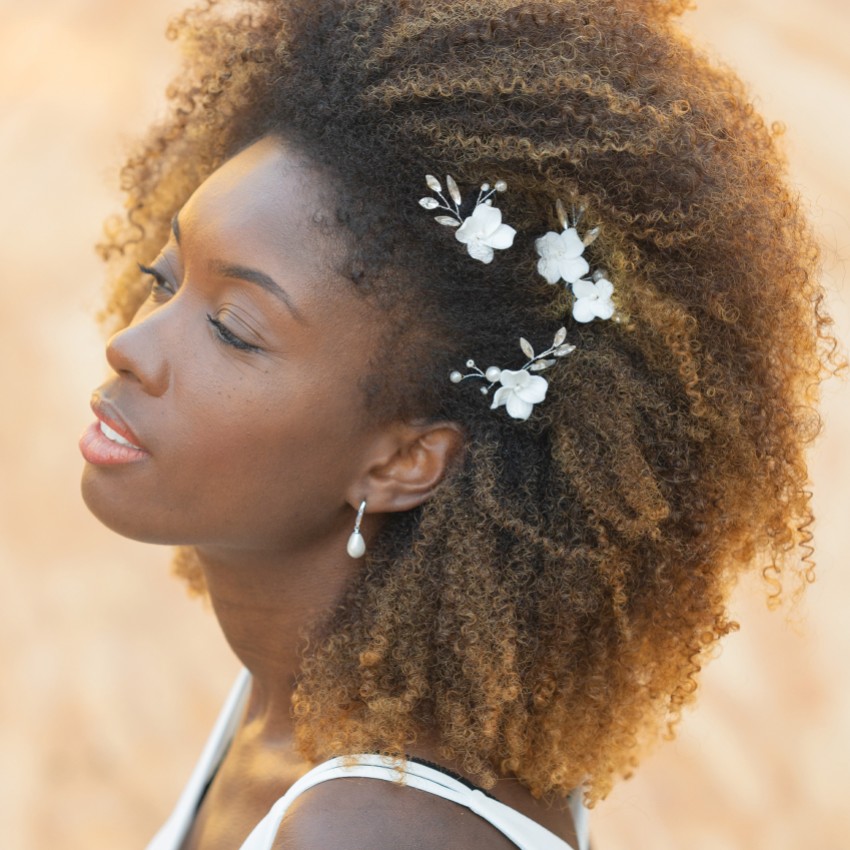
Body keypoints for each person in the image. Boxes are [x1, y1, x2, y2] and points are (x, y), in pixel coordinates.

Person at [79, 0, 834, 847]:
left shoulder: (374, 830)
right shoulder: (303, 701)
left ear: (404, 461)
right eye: (164, 275)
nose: (128, 345)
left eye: (234, 329)